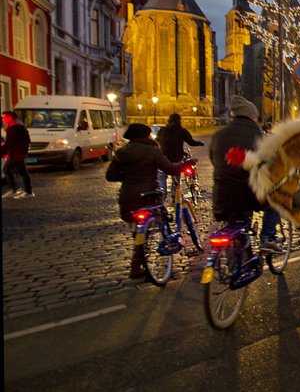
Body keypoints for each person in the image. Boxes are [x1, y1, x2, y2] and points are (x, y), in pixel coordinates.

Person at [105, 123, 195, 278]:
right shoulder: (152, 151)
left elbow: (111, 176)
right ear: (146, 136)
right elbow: (170, 169)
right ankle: (159, 251)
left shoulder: (121, 153)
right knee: (160, 220)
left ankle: (136, 266)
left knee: (138, 233)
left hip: (128, 198)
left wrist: (128, 176)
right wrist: (186, 164)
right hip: (149, 196)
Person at [210, 95, 282, 253]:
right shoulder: (260, 137)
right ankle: (268, 237)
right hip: (250, 194)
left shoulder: (218, 135)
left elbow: (214, 161)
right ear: (252, 116)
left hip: (222, 196)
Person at [155, 113, 204, 194]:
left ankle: (162, 195)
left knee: (162, 178)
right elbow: (191, 142)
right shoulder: (182, 131)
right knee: (176, 177)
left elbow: (157, 140)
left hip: (163, 158)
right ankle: (175, 195)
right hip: (176, 157)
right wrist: (200, 143)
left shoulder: (163, 130)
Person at [2, 110, 34, 199]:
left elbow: (9, 143)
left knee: (13, 171)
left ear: (10, 117)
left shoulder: (14, 127)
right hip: (17, 152)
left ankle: (27, 191)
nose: (3, 119)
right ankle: (16, 189)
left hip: (17, 153)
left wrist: (2, 151)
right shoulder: (16, 126)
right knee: (12, 170)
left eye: (4, 117)